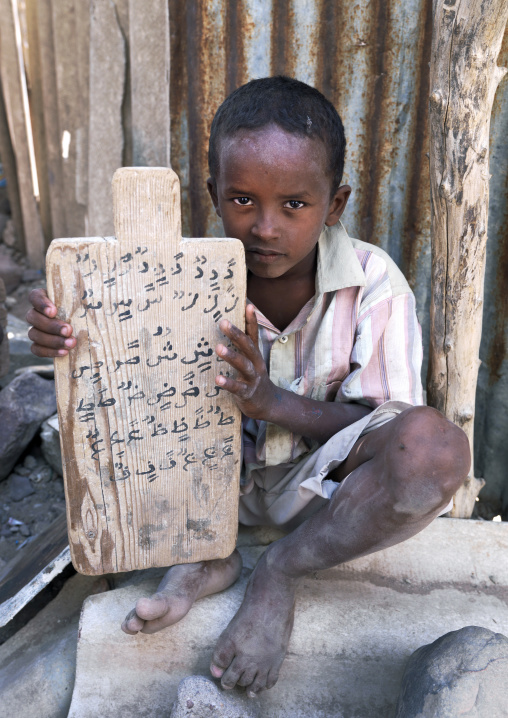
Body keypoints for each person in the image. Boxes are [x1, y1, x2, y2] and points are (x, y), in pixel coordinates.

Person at [27, 76, 470, 699]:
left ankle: (279, 574)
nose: (265, 227)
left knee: (434, 449)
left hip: (316, 499)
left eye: (295, 204)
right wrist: (66, 335)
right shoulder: (171, 280)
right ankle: (207, 555)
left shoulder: (373, 283)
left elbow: (386, 427)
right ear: (213, 195)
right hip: (205, 491)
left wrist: (273, 403)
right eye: (242, 200)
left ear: (334, 205)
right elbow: (110, 377)